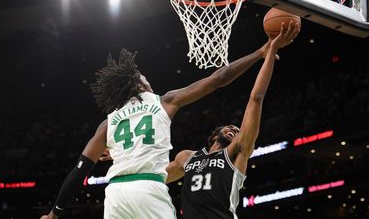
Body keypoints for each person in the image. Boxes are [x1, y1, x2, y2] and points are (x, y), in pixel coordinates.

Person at [40, 36, 283, 219]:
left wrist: (54, 214)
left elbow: (78, 172)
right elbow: (218, 79)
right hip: (148, 188)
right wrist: (259, 53)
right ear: (140, 84)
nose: (148, 79)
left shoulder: (108, 122)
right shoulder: (164, 101)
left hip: (115, 195)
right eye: (145, 77)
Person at [165, 21, 300, 219]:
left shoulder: (236, 152)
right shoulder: (187, 157)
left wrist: (271, 51)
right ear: (214, 135)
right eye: (230, 128)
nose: (235, 131)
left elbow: (256, 97)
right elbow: (152, 175)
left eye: (237, 130)